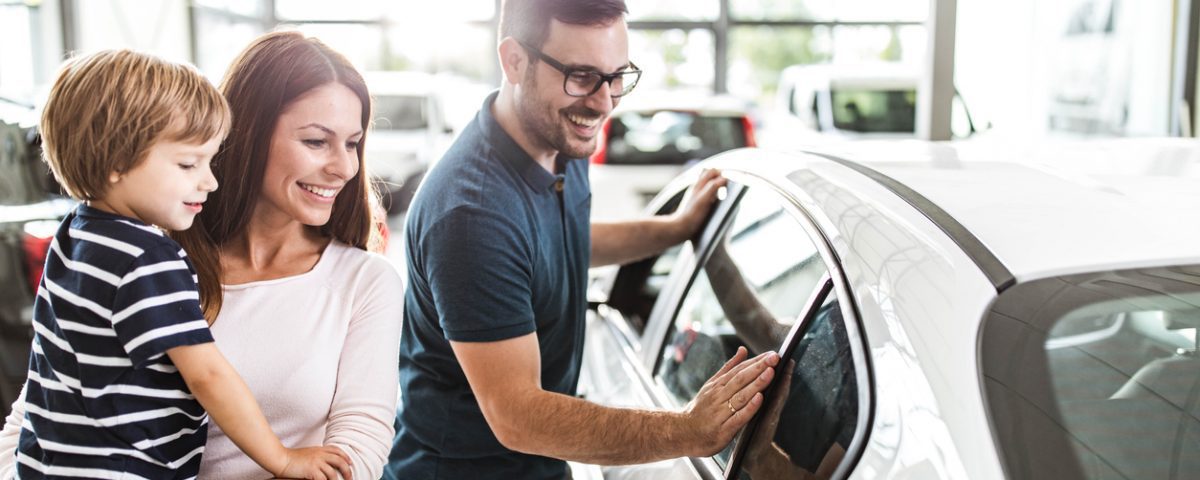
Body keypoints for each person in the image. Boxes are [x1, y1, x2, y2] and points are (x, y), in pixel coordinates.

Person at [385, 1, 779, 478]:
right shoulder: (471, 215)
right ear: (514, 61)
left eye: (617, 76)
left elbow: (558, 244)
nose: (604, 102)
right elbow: (518, 416)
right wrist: (689, 429)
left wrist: (674, 229)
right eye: (582, 76)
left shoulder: (559, 140)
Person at [1, 31, 404, 480]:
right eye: (316, 141)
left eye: (353, 144)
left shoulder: (363, 283)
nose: (345, 167)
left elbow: (354, 458)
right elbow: (41, 402)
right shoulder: (148, 260)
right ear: (246, 136)